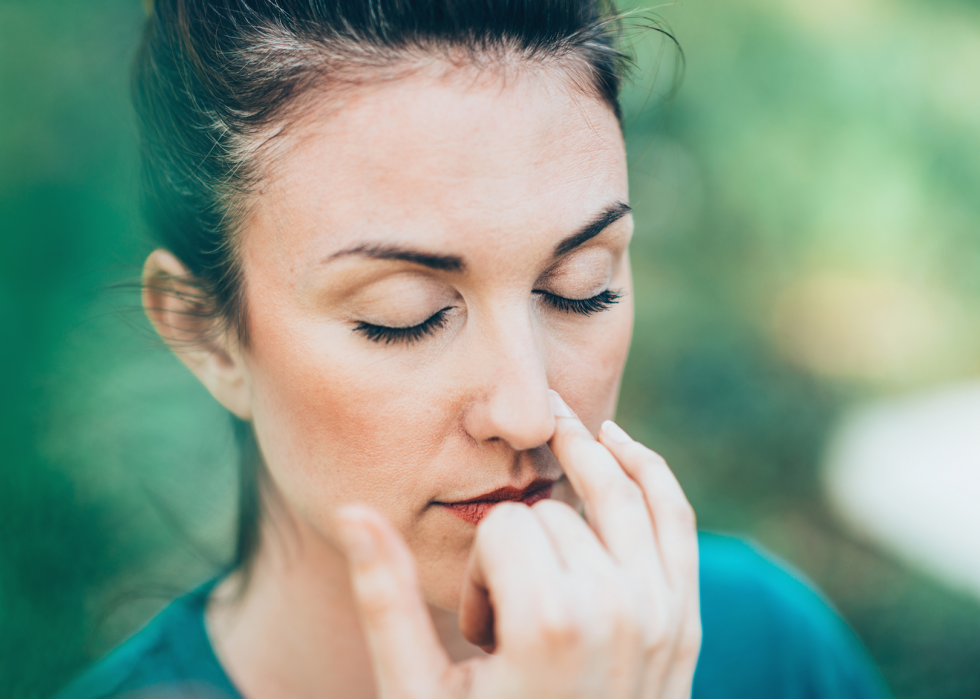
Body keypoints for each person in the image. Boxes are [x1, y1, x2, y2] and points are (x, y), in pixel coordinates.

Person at [58, 1, 891, 697]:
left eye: (581, 286)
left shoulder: (765, 648)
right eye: (404, 314)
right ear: (208, 334)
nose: (527, 411)